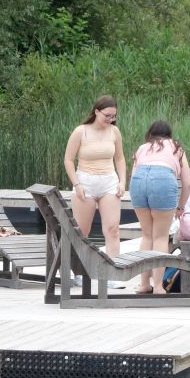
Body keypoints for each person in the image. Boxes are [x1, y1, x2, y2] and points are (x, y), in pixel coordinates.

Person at [129, 120, 190, 294]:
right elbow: (187, 184)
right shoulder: (175, 147)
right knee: (161, 237)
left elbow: (133, 176)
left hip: (138, 182)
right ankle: (157, 286)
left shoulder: (142, 148)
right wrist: (181, 206)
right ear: (168, 135)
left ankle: (143, 284)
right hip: (163, 180)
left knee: (147, 235)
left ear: (150, 134)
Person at [63, 95, 127, 261]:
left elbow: (120, 159)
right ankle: (77, 270)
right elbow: (68, 160)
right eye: (107, 116)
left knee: (113, 229)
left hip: (109, 182)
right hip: (85, 182)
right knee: (82, 231)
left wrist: (122, 182)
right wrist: (77, 185)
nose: (111, 119)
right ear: (97, 112)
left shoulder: (114, 131)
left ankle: (113, 271)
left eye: (114, 116)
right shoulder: (81, 131)